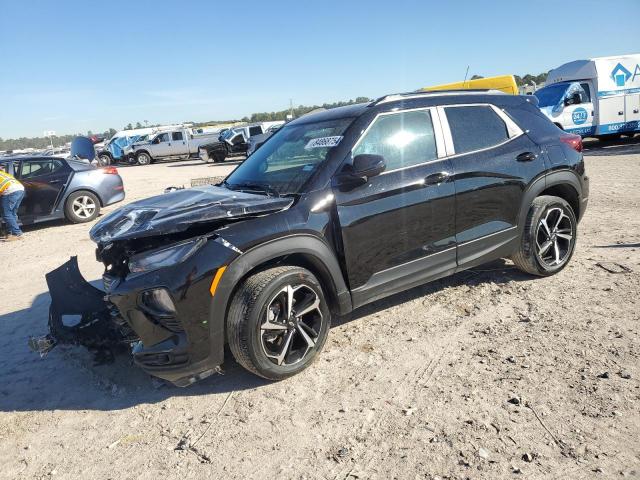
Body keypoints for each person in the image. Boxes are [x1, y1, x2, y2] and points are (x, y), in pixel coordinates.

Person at [0, 167, 25, 241]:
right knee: (12, 213)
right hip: (20, 189)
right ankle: (10, 233)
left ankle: (17, 233)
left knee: (6, 214)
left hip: (10, 191)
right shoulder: (2, 173)